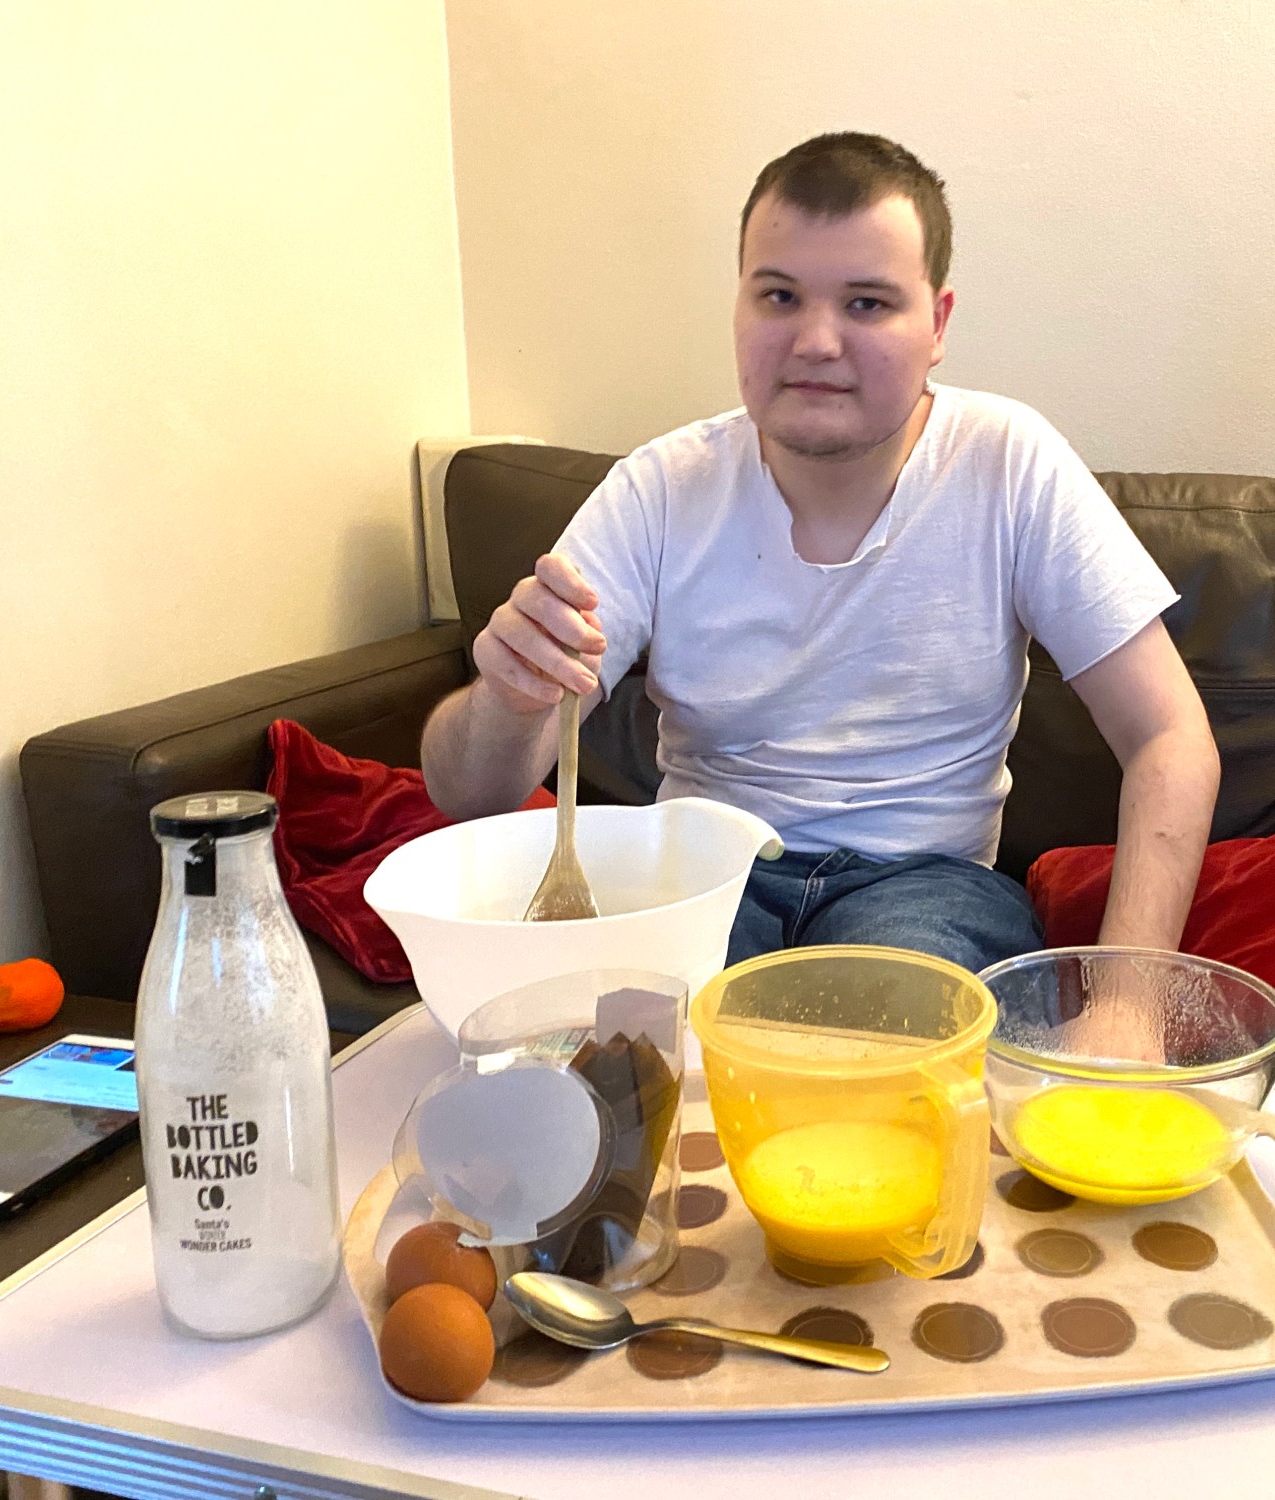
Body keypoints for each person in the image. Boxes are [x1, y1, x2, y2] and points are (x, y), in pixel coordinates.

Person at [422, 132, 1220, 978]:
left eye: (867, 303)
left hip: (926, 885)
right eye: (779, 296)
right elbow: (470, 794)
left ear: (937, 324)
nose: (815, 341)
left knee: (879, 1042)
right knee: (617, 1034)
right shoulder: (660, 488)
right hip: (703, 876)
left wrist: (1130, 1003)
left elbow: (1170, 737)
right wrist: (507, 699)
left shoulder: (1008, 462)